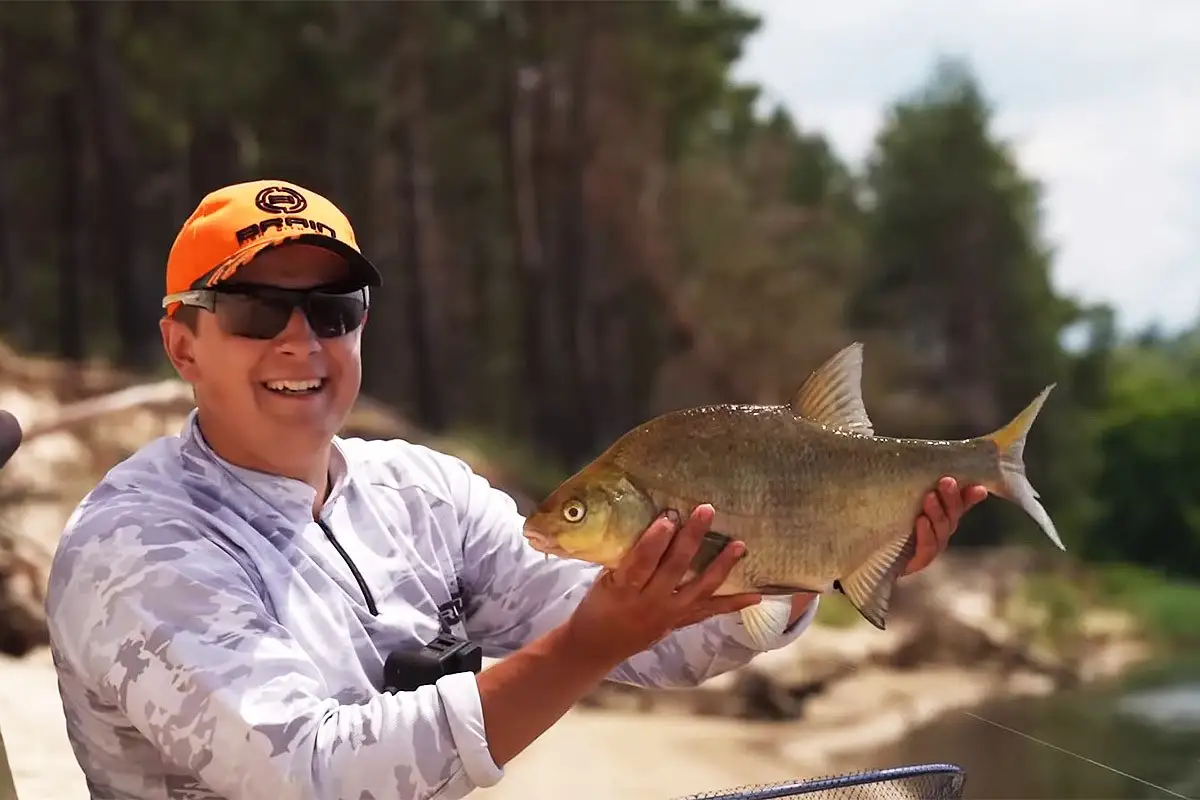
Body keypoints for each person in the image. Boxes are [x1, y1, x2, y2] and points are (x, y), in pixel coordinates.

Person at [44, 180, 987, 800]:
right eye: (256, 308)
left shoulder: (426, 495)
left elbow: (643, 637)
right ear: (181, 344)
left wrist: (821, 552)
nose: (301, 341)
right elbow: (313, 774)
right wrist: (586, 647)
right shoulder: (136, 545)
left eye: (333, 310)